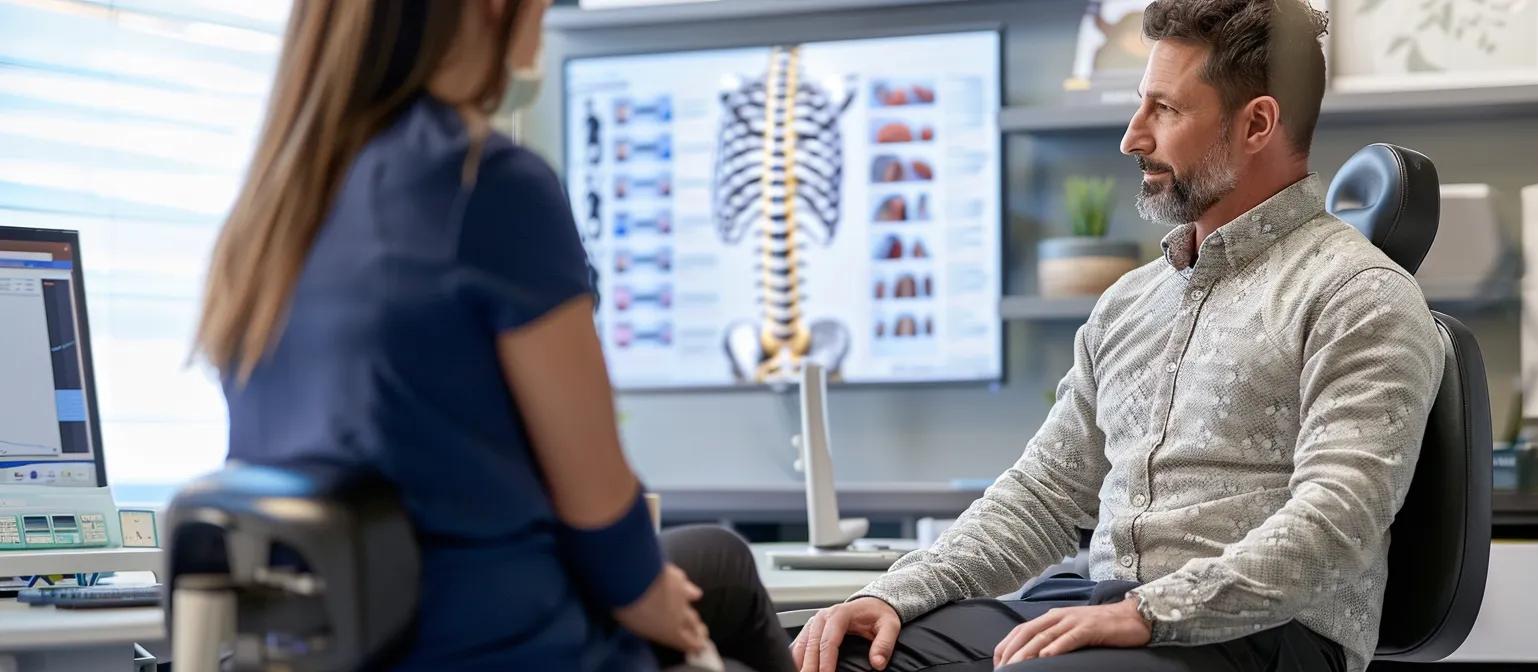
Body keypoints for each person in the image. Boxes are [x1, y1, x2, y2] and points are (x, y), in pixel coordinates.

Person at [790, 2, 1444, 671]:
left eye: (1165, 110)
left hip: (1263, 635)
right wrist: (896, 595)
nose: (1133, 137)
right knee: (840, 654)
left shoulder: (1360, 294)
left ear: (1256, 125)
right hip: (1100, 604)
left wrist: (1147, 614)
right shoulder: (1127, 303)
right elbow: (1042, 496)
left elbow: (1338, 524)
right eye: (1142, 105)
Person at [192, 2, 791, 670]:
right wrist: (650, 596)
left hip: (363, 640)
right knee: (721, 606)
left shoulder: (273, 215)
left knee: (718, 559)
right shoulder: (489, 186)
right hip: (500, 645)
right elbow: (601, 515)